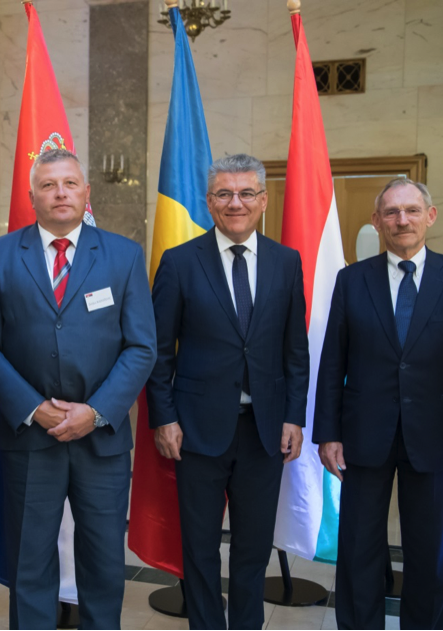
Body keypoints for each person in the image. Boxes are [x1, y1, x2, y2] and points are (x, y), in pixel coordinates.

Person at [313, 177, 443, 629]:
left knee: (430, 553)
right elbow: (332, 361)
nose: (402, 220)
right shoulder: (351, 280)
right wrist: (328, 433)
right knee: (359, 549)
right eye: (392, 213)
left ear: (430, 217)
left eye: (412, 211)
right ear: (377, 222)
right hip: (363, 435)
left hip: (433, 436)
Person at [0, 149, 156, 629]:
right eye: (49, 184)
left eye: (70, 183)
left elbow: (142, 347)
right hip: (28, 439)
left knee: (102, 563)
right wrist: (34, 408)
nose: (60, 192)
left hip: (101, 440)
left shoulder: (123, 255)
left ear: (86, 192)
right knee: (28, 563)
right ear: (32, 195)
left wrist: (94, 412)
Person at [146, 154, 310, 630]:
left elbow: (294, 350)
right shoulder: (178, 263)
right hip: (195, 431)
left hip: (264, 432)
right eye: (224, 194)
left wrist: (294, 417)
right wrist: (164, 417)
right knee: (198, 548)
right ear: (209, 202)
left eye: (245, 193)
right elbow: (159, 351)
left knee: (253, 549)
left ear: (262, 200)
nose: (234, 203)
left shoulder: (286, 261)